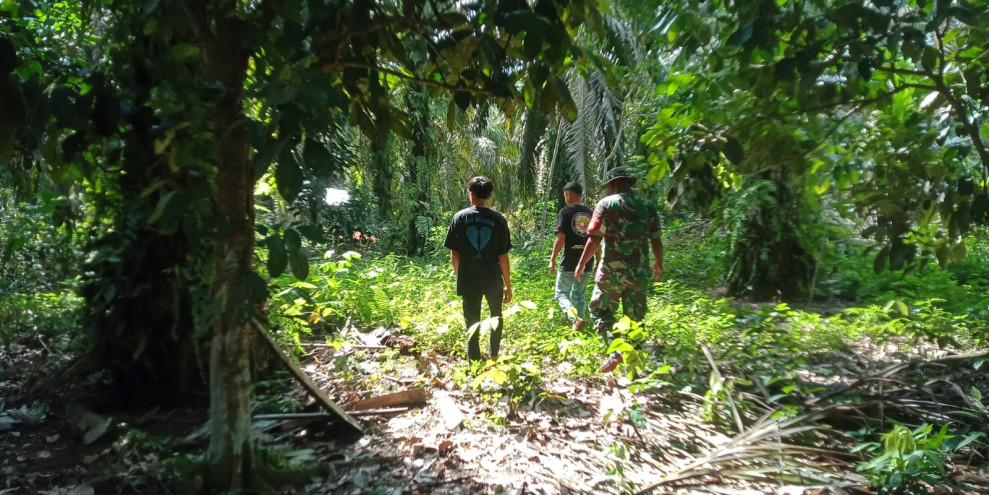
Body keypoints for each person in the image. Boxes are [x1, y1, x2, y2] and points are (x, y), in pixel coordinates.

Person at [574, 167, 663, 373]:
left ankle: (615, 352)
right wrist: (659, 263)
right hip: (639, 273)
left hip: (611, 273)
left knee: (600, 311)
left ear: (612, 185)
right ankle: (635, 369)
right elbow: (656, 238)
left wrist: (581, 264)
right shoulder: (648, 206)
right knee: (635, 319)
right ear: (629, 184)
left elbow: (595, 238)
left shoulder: (606, 204)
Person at [444, 176, 513, 362]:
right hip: (492, 279)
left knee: (471, 322)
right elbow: (503, 257)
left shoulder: (459, 217)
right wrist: (508, 285)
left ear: (471, 194)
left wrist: (461, 276)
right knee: (496, 317)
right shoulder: (498, 220)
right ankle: (494, 356)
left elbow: (455, 254)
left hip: (469, 279)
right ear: (489, 196)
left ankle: (473, 363)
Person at [549, 182, 598, 332]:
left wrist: (552, 259)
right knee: (579, 294)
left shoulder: (566, 212)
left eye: (565, 195)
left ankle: (575, 319)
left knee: (561, 293)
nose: (565, 198)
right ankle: (579, 324)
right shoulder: (592, 213)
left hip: (569, 262)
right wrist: (598, 260)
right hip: (587, 261)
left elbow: (560, 237)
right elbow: (596, 239)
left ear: (569, 195)